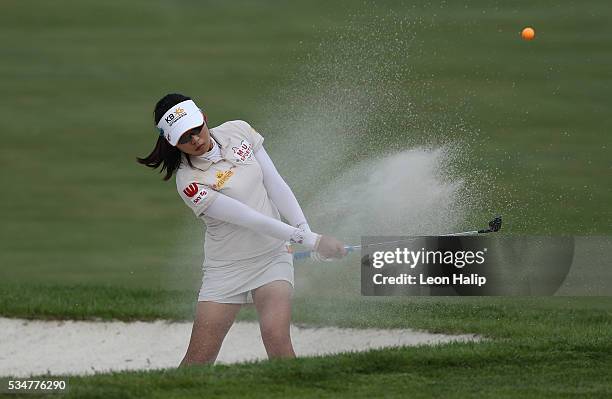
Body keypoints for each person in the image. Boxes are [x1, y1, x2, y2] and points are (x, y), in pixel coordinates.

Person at [137, 93, 346, 365]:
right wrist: (313, 241)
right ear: (171, 142)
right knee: (197, 361)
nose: (195, 140)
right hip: (226, 270)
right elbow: (248, 218)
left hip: (273, 257)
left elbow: (276, 185)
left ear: (204, 117)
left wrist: (304, 231)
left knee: (278, 343)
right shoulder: (189, 181)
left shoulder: (239, 130)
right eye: (184, 138)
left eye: (196, 129)